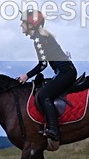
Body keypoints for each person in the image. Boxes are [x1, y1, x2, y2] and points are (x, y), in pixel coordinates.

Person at [17, 8, 76, 146]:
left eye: (23, 22)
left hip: (65, 73)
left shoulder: (38, 39)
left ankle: (54, 130)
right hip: (65, 72)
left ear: (31, 24)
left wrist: (27, 75)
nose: (21, 25)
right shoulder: (42, 36)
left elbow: (42, 65)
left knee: (43, 95)